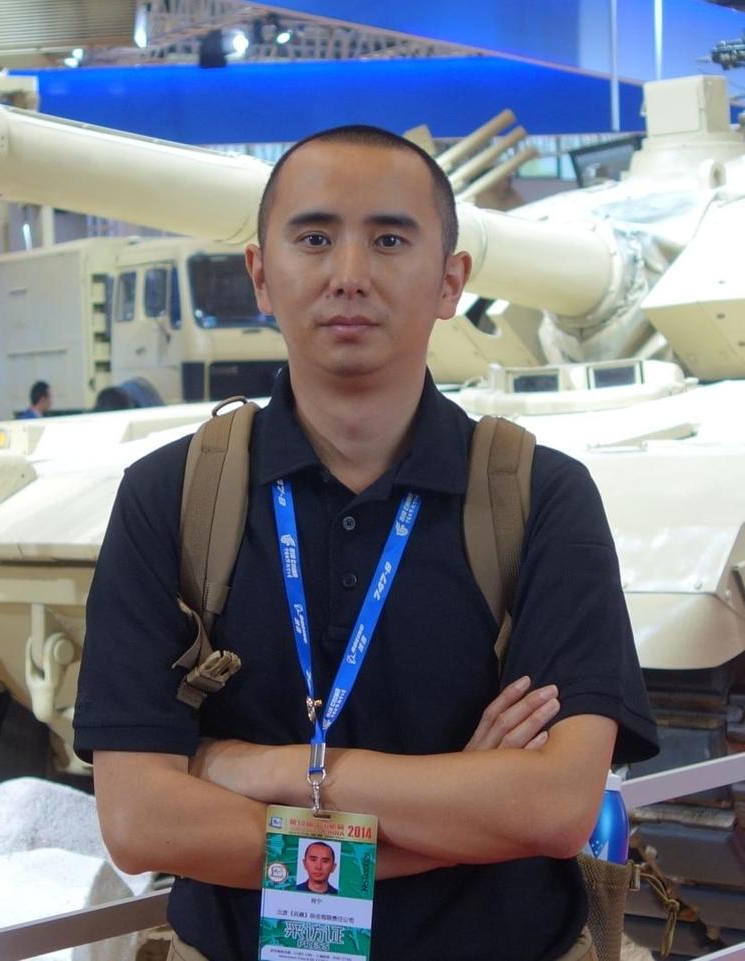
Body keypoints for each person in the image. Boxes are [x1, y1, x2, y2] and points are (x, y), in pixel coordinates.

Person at [74, 125, 659, 961]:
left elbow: (555, 807)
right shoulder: (173, 496)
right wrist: (454, 824)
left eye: (390, 239)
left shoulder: (539, 497)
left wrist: (277, 769)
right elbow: (141, 821)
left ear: (450, 281)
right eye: (314, 238)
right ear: (261, 275)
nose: (349, 273)